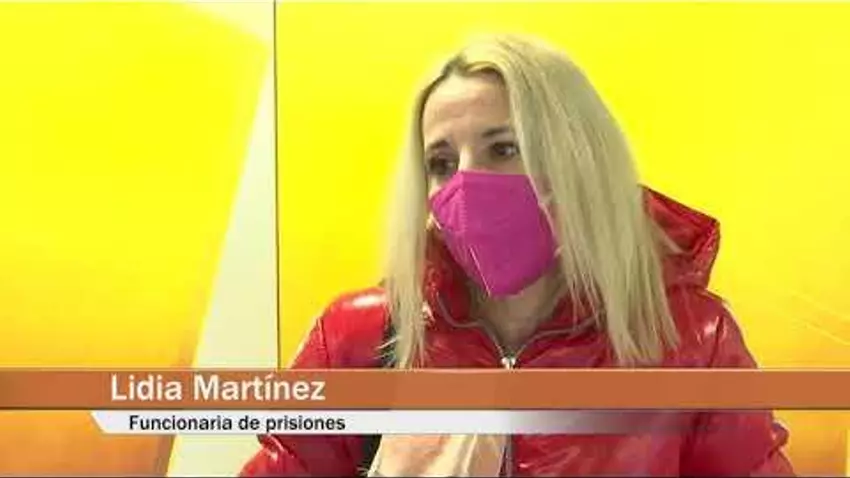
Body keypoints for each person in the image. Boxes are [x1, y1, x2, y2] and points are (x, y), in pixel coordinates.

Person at [240, 34, 794, 477]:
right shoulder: (358, 336)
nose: (467, 182)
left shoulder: (692, 342)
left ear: (579, 159)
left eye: (504, 148)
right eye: (440, 163)